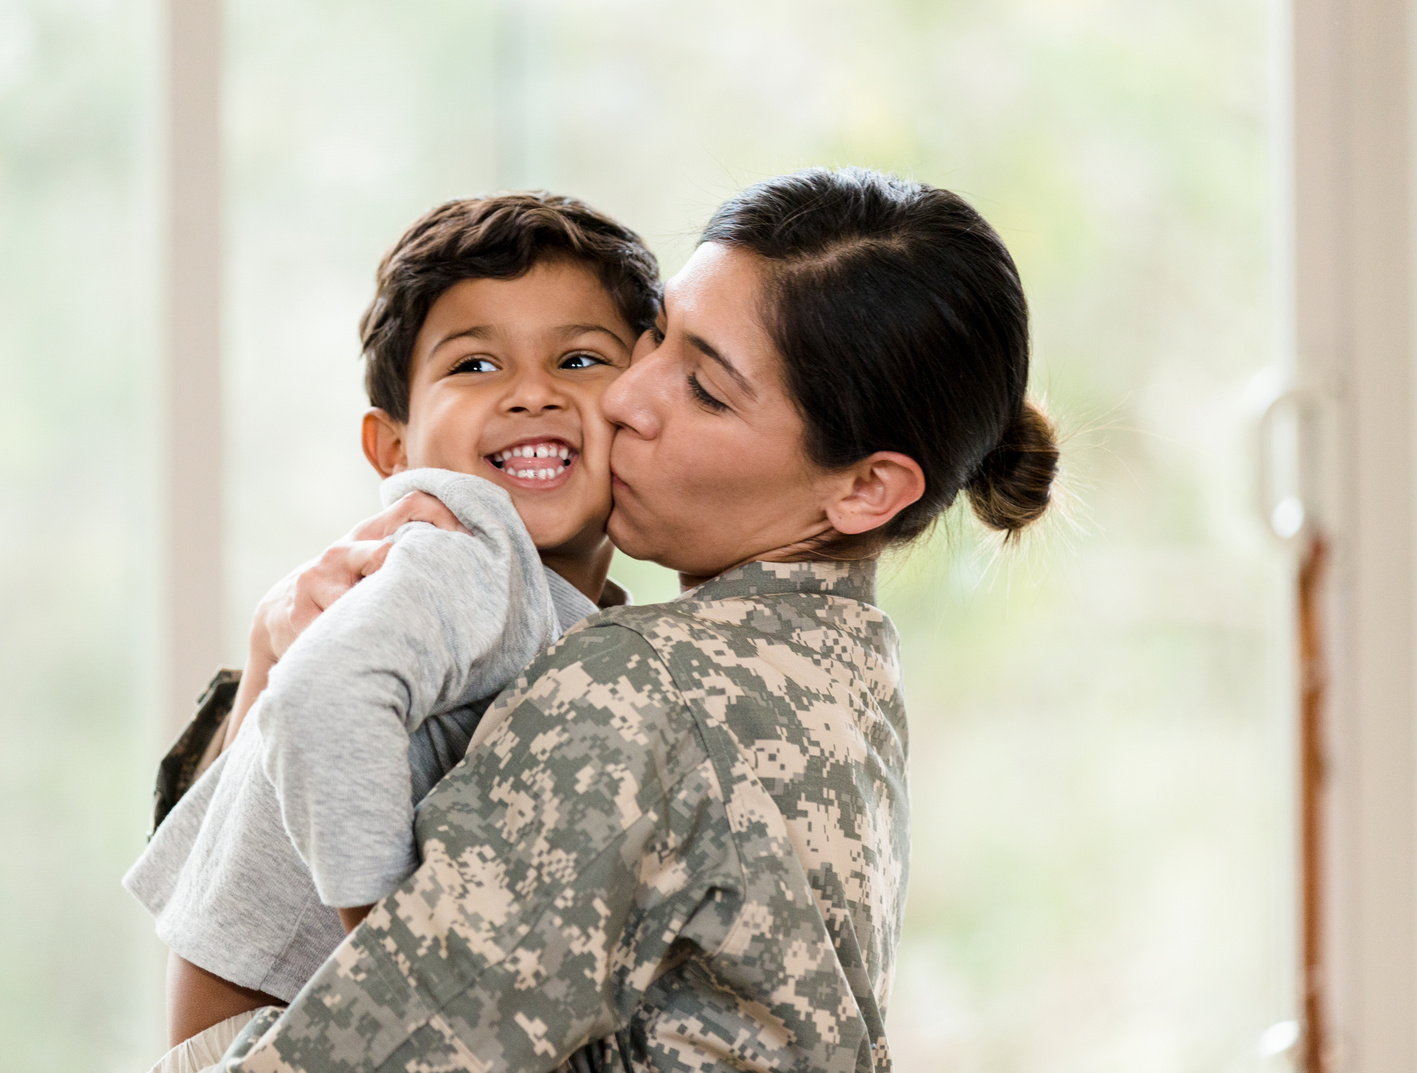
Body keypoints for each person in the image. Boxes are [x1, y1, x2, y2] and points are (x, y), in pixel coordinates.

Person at [212, 166, 1060, 1073]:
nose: (622, 396)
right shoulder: (844, 669)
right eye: (657, 334)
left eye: (704, 387)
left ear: (865, 488)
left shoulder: (635, 687)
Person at [123, 192, 662, 1071]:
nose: (533, 392)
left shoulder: (556, 613)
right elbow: (320, 704)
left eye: (578, 357)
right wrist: (396, 964)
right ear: (393, 447)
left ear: (644, 405)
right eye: (476, 365)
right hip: (286, 1034)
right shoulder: (465, 548)